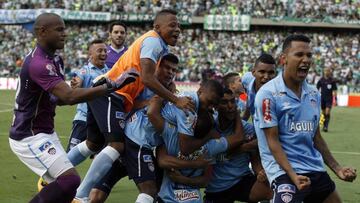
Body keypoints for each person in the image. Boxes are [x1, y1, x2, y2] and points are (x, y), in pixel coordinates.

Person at [8, 13, 137, 203]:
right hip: (28, 135)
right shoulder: (39, 63)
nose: (65, 34)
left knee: (67, 190)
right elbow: (68, 97)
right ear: (42, 32)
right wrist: (111, 86)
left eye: (64, 29)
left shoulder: (55, 59)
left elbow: (58, 99)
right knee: (70, 180)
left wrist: (69, 93)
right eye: (59, 29)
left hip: (44, 131)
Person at [74, 9, 194, 201]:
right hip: (111, 92)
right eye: (172, 25)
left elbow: (145, 85)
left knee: (92, 144)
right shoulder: (154, 41)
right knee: (116, 146)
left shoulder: (159, 48)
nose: (178, 29)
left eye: (179, 25)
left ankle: (52, 177)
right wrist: (175, 98)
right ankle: (79, 196)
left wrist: (164, 92)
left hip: (115, 96)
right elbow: (147, 78)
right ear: (157, 27)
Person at [254, 34, 357, 203]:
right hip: (284, 172)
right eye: (299, 54)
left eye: (309, 55)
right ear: (283, 59)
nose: (306, 59)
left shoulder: (313, 94)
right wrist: (293, 175)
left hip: (314, 168)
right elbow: (273, 142)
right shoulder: (267, 94)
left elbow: (316, 137)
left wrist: (337, 169)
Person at [147, 83, 247, 203]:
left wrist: (165, 94)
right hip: (192, 199)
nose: (209, 107)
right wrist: (235, 112)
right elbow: (238, 137)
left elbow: (163, 161)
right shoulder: (212, 146)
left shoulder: (171, 134)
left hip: (167, 198)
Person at [204, 88, 272, 203]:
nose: (230, 106)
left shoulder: (248, 128)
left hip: (242, 180)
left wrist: (260, 172)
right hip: (217, 187)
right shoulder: (209, 128)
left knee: (275, 190)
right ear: (216, 106)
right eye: (224, 102)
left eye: (232, 101)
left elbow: (255, 158)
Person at [66, 39, 111, 151]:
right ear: (90, 55)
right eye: (100, 51)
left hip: (101, 122)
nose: (104, 53)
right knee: (70, 155)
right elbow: (78, 81)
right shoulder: (85, 71)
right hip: (83, 120)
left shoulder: (110, 72)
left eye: (105, 51)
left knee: (101, 157)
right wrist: (76, 84)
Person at [241, 53, 276, 121]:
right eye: (262, 72)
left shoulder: (279, 95)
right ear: (253, 72)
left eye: (271, 73)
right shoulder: (246, 79)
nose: (266, 77)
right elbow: (248, 99)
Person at [316, 67, 337, 132]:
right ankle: (322, 125)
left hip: (329, 99)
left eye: (328, 71)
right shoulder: (321, 80)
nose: (327, 72)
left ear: (329, 72)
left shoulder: (332, 81)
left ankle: (326, 127)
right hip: (322, 98)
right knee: (323, 112)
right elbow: (317, 88)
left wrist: (335, 99)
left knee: (327, 112)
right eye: (325, 71)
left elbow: (334, 90)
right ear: (324, 72)